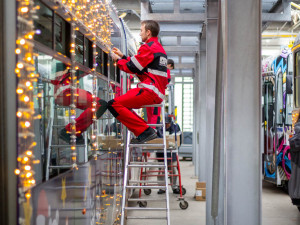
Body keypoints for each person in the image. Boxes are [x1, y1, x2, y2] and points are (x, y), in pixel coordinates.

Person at [109, 20, 169, 144]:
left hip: (149, 91)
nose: (140, 34)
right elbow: (143, 67)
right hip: (156, 93)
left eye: (141, 31)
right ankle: (145, 130)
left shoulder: (148, 47)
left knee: (113, 104)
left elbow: (132, 68)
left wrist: (117, 61)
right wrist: (123, 57)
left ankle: (144, 131)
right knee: (123, 107)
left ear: (148, 32)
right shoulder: (159, 48)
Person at [42, 69, 107, 144]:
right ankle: (71, 131)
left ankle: (73, 131)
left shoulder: (64, 71)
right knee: (100, 104)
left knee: (98, 106)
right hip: (66, 91)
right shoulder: (66, 69)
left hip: (65, 92)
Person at [157, 113, 182, 194]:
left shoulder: (175, 126)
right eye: (165, 123)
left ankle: (174, 187)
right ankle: (162, 187)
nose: (167, 125)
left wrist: (176, 147)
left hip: (172, 152)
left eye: (168, 124)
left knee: (173, 170)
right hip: (161, 153)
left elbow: (179, 139)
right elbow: (158, 138)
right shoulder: (159, 127)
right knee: (162, 170)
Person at [147, 59, 174, 128]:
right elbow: (166, 81)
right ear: (169, 65)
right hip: (157, 95)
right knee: (155, 114)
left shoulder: (152, 68)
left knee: (149, 113)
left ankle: (150, 130)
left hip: (149, 93)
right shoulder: (166, 70)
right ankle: (154, 130)